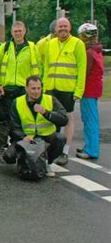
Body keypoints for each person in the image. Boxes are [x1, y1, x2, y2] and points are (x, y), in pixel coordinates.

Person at [43, 17, 86, 165]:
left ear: (70, 28)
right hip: (50, 88)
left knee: (67, 119)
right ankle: (51, 148)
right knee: (50, 119)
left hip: (68, 89)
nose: (62, 29)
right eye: (60, 26)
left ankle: (65, 151)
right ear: (55, 29)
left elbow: (82, 69)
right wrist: (44, 86)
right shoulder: (50, 44)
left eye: (65, 26)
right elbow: (46, 66)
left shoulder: (77, 44)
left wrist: (78, 91)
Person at [8, 75, 69, 177]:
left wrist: (46, 113)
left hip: (46, 137)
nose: (36, 92)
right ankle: (24, 160)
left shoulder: (50, 99)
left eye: (38, 88)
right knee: (8, 156)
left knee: (60, 138)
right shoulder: (17, 102)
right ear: (26, 89)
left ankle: (48, 162)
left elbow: (64, 119)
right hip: (28, 138)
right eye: (33, 88)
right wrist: (23, 137)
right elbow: (14, 126)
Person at [0, 21, 41, 121]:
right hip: (7, 89)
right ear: (12, 32)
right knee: (8, 118)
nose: (18, 33)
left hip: (24, 88)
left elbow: (39, 67)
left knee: (23, 117)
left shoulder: (32, 47)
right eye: (15, 31)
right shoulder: (5, 47)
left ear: (24, 31)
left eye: (20, 31)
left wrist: (36, 87)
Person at [76, 23, 104, 159]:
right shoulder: (97, 50)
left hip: (88, 90)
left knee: (89, 120)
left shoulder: (89, 53)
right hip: (95, 89)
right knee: (91, 119)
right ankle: (90, 146)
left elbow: (84, 72)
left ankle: (91, 150)